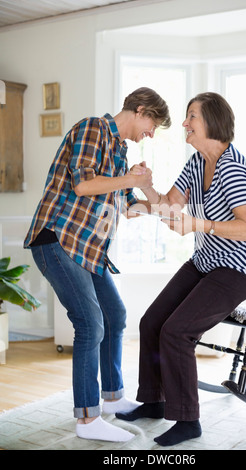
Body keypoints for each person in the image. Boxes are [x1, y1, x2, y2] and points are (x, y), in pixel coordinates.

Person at [116, 92, 246, 446]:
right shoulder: (198, 162)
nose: (185, 123)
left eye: (191, 116)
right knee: (152, 322)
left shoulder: (233, 168)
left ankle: (187, 421)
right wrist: (144, 187)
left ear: (212, 121)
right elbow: (170, 209)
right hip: (205, 262)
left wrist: (198, 224)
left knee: (177, 331)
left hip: (238, 270)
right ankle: (154, 401)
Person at [24, 87, 171, 442]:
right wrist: (131, 180)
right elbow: (83, 185)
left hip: (88, 249)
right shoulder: (91, 129)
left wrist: (166, 209)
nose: (151, 133)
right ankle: (87, 421)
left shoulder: (119, 152)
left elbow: (124, 206)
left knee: (115, 315)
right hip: (56, 238)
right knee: (90, 323)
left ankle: (112, 398)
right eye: (152, 124)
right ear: (139, 110)